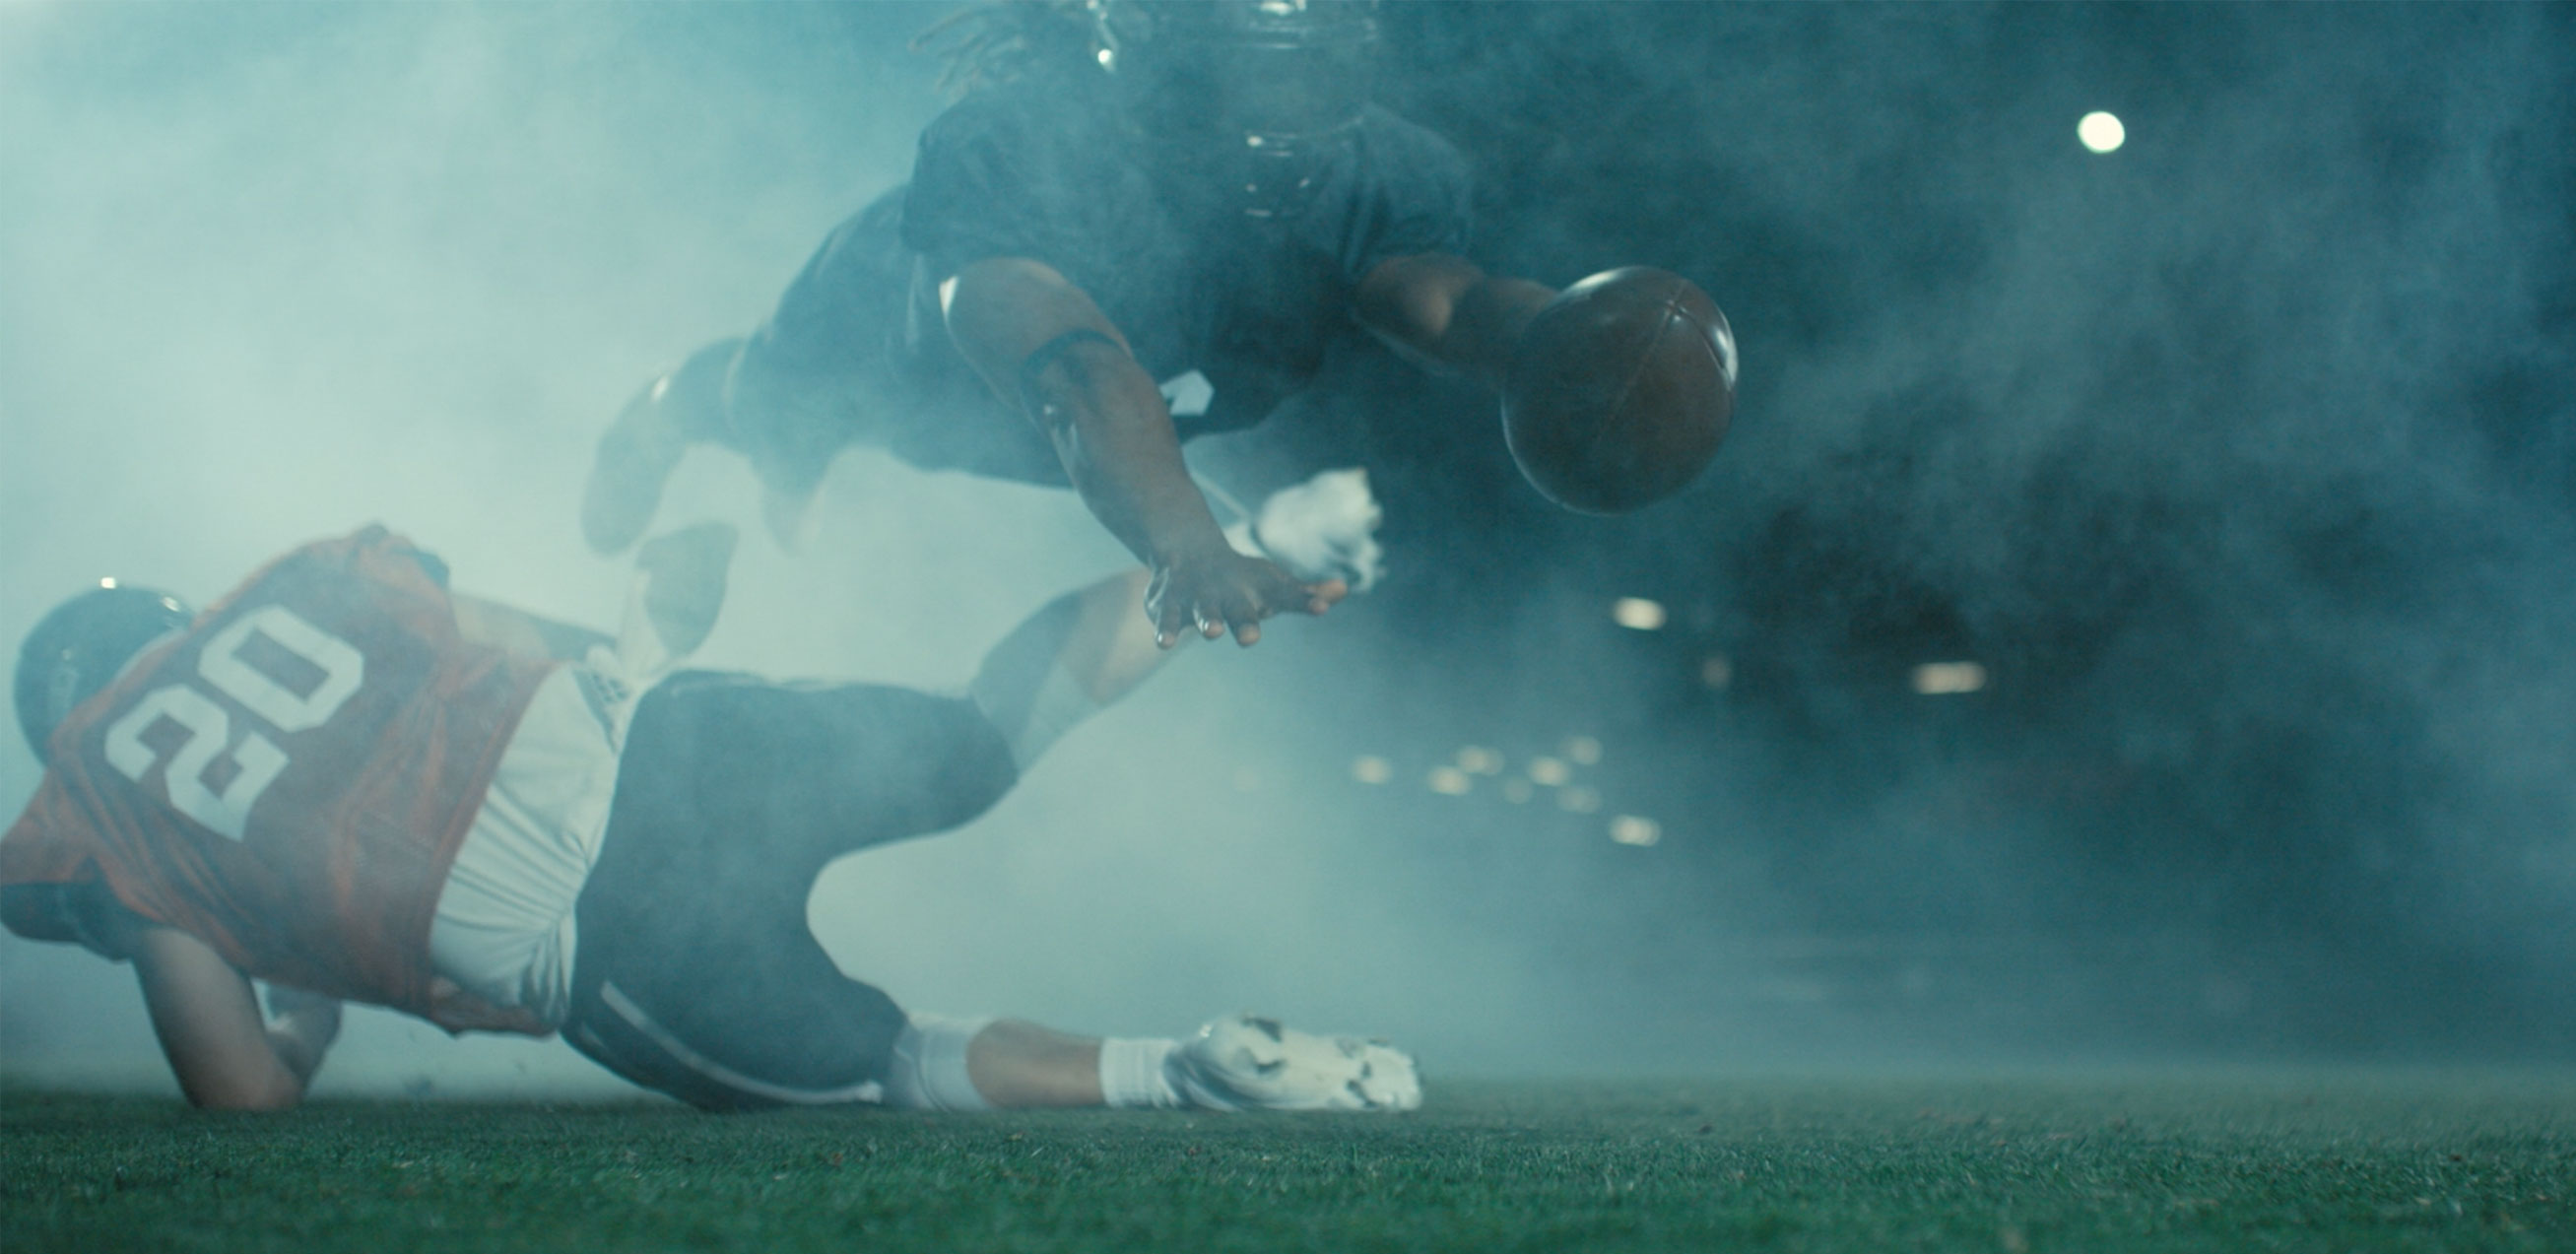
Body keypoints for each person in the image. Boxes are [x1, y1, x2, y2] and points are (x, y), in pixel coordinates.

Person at [0, 523, 1417, 1112]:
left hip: (609, 931)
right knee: (982, 736)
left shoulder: (103, 812)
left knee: (895, 1062)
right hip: (671, 739)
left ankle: (1186, 1069)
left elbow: (241, 1095)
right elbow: (525, 638)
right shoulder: (294, 587)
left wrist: (306, 1004)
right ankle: (1215, 547)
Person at [578, 0, 1560, 650]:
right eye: (1233, 84)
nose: (1272, 132)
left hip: (1103, 433)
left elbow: (1453, 304)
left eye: (1301, 79)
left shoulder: (1383, 175)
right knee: (767, 408)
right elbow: (1078, 374)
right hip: (899, 362)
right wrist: (1186, 535)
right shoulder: (1024, 148)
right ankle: (659, 418)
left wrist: (1579, 340)